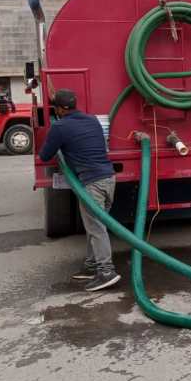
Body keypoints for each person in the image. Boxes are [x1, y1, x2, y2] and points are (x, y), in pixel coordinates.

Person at [38, 88, 121, 292]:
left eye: (55, 107)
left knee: (96, 228)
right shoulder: (92, 120)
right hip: (109, 179)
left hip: (92, 183)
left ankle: (106, 271)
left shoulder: (60, 127)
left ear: (59, 109)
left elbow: (44, 155)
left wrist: (54, 140)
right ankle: (92, 265)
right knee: (95, 225)